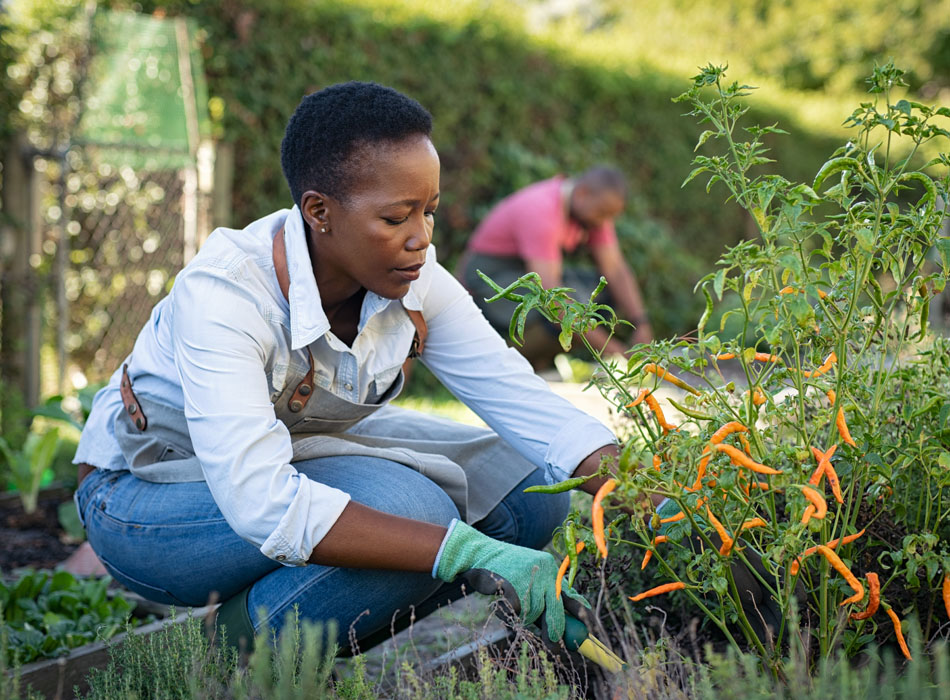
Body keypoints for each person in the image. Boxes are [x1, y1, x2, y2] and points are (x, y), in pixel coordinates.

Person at [70, 82, 647, 654]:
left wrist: (666, 502)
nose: (420, 239)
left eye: (430, 212)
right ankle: (225, 654)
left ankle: (307, 629)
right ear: (319, 211)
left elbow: (526, 404)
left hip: (301, 449)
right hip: (145, 497)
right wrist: (465, 553)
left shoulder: (417, 281)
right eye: (396, 218)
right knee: (410, 514)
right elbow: (262, 501)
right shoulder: (227, 296)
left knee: (534, 489)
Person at [458, 168, 653, 370]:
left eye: (611, 216)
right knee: (554, 311)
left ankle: (539, 360)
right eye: (603, 213)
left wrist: (641, 323)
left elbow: (615, 270)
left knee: (600, 296)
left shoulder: (591, 213)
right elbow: (553, 300)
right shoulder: (542, 211)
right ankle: (499, 362)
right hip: (487, 280)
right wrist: (613, 351)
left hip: (523, 273)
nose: (604, 222)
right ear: (582, 193)